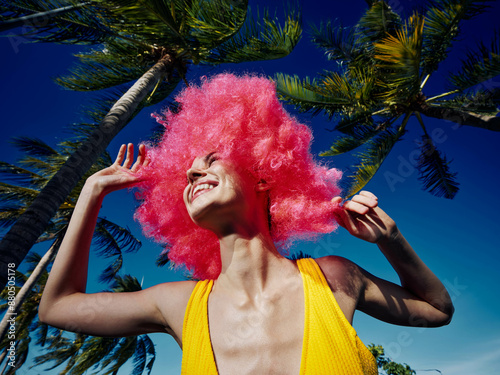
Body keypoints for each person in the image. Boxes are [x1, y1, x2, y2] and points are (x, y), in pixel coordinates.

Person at [39, 74, 454, 375]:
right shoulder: (179, 305)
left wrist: (392, 240)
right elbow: (57, 307)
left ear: (262, 174)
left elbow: (437, 311)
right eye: (186, 174)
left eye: (211, 160)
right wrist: (92, 191)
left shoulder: (333, 278)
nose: (192, 175)